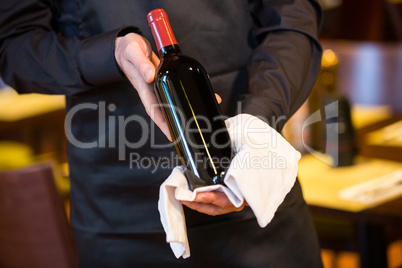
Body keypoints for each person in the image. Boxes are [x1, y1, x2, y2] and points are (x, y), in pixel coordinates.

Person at [0, 0, 323, 267]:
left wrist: (255, 123)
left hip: (252, 192)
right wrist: (109, 54)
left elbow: (291, 18)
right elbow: (14, 45)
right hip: (118, 216)